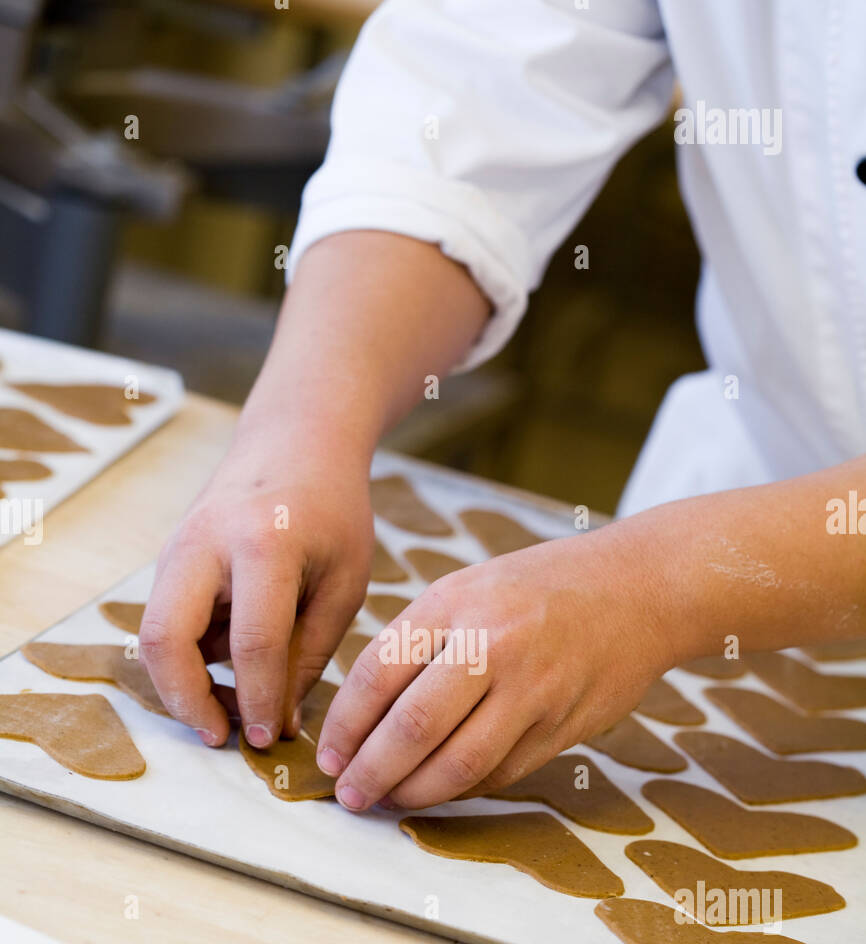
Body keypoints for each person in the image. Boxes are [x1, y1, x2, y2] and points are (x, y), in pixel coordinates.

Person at [140, 0, 866, 814]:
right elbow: (480, 73)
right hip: (754, 520)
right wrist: (299, 434)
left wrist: (656, 586)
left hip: (722, 572)